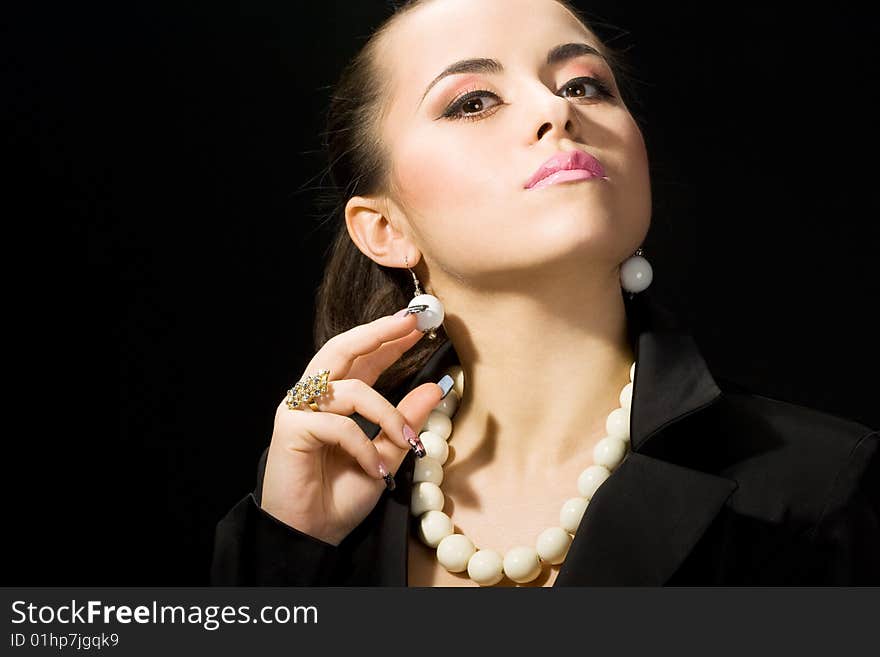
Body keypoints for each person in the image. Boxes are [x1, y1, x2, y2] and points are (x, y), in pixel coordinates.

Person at [210, 0, 879, 586]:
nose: (556, 109)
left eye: (585, 85)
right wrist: (289, 555)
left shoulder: (816, 489)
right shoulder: (317, 506)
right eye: (472, 101)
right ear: (384, 229)